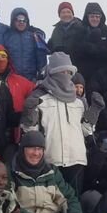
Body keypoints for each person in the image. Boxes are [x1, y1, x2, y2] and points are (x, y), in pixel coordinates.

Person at [21, 52, 96, 195]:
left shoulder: (79, 101)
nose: (65, 75)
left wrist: (94, 113)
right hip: (50, 159)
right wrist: (29, 113)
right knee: (52, 205)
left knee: (74, 202)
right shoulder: (39, 96)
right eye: (61, 71)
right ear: (52, 72)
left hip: (77, 159)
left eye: (69, 72)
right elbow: (30, 131)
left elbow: (86, 130)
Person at [2, 8, 48, 81]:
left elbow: (41, 57)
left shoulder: (34, 36)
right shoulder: (6, 36)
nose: (21, 22)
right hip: (12, 79)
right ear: (13, 21)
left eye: (24, 20)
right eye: (18, 20)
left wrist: (41, 74)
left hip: (31, 78)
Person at [74, 2, 107, 83]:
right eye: (92, 16)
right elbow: (76, 50)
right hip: (84, 75)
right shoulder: (80, 31)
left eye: (97, 16)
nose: (95, 19)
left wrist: (96, 49)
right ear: (87, 17)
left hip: (103, 75)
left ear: (101, 17)